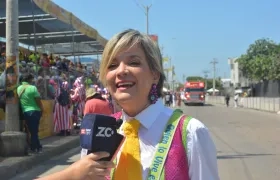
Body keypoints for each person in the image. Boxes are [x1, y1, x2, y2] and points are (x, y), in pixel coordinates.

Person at [39, 29, 219, 180]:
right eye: (112, 65)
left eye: (134, 62)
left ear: (155, 74)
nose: (121, 71)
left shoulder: (190, 132)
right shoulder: (100, 130)